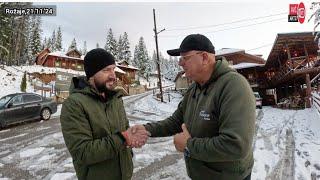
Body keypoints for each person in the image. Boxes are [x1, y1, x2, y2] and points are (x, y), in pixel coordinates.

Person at [131, 34, 256, 180]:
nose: (180, 63)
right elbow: (176, 122)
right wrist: (146, 129)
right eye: (180, 58)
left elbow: (236, 145)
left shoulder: (234, 86)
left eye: (185, 57)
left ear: (204, 57)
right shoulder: (194, 89)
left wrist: (189, 145)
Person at [60, 48, 149, 180]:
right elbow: (82, 152)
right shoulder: (74, 104)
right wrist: (123, 138)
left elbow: (124, 131)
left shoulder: (115, 99)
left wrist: (131, 140)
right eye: (106, 70)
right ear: (91, 74)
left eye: (113, 69)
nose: (113, 75)